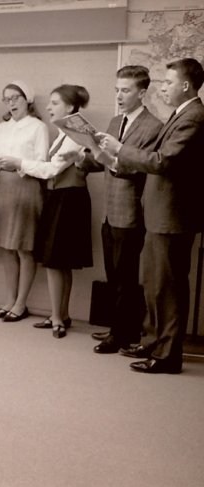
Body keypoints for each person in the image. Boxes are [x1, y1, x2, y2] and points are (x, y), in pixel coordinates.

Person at [97, 57, 204, 374]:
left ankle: (168, 356)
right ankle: (156, 342)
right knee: (157, 286)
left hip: (172, 217)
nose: (163, 88)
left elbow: (162, 162)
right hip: (160, 214)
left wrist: (119, 149)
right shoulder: (180, 114)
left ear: (185, 85)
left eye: (168, 82)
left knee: (168, 289)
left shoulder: (193, 117)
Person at [76, 66, 162, 353]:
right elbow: (103, 161)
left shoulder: (154, 127)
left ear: (141, 92)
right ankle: (118, 327)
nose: (120, 96)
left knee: (126, 277)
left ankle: (122, 334)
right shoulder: (115, 122)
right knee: (114, 275)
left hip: (132, 211)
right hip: (109, 210)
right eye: (117, 90)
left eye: (125, 90)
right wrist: (83, 156)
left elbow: (141, 168)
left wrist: (112, 153)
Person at [12, 84, 92, 338]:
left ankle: (57, 316)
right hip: (61, 197)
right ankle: (61, 314)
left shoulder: (77, 133)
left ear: (70, 107)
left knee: (56, 261)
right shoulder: (63, 133)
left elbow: (50, 170)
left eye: (55, 103)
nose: (48, 107)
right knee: (60, 262)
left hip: (68, 199)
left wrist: (18, 162)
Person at [0, 81, 49, 322]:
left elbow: (42, 163)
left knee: (23, 247)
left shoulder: (38, 127)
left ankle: (21, 303)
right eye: (7, 99)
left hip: (26, 187)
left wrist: (17, 163)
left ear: (27, 100)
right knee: (6, 248)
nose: (11, 103)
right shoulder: (2, 128)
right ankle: (9, 300)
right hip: (4, 188)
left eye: (15, 98)